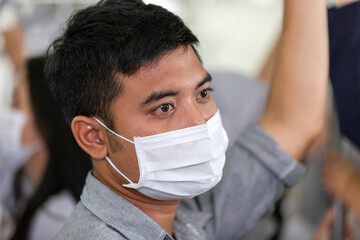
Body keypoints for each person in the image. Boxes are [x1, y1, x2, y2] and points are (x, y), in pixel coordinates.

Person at [45, 0, 328, 239]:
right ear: (93, 136)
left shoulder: (187, 218)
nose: (199, 122)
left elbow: (293, 124)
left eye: (203, 93)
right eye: (164, 107)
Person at [0, 57, 92, 240]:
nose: (7, 114)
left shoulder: (58, 217)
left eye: (15, 102)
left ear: (46, 119)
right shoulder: (24, 184)